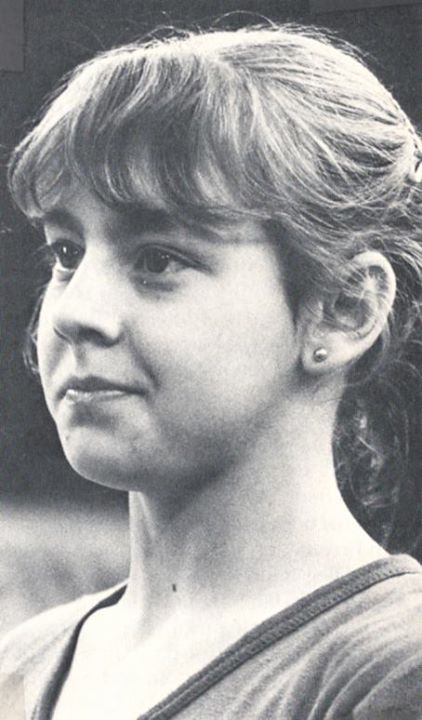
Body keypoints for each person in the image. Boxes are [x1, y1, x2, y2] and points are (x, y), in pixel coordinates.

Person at [1, 23, 421, 720]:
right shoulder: (19, 667)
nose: (75, 312)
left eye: (158, 259)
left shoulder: (393, 669)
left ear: (344, 310)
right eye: (67, 253)